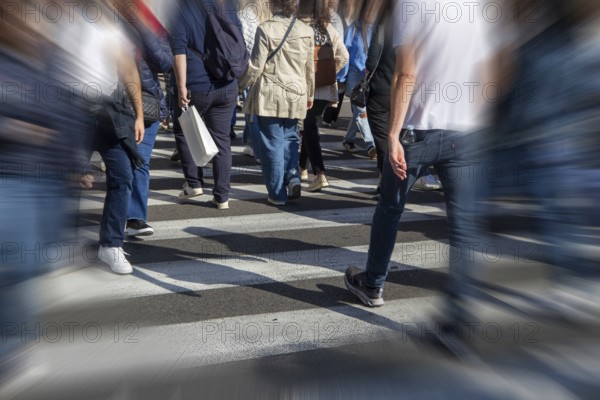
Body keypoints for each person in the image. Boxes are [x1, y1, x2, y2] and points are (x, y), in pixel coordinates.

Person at [344, 0, 494, 307]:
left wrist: (392, 134)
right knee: (462, 221)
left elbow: (405, 74)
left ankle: (373, 284)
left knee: (390, 209)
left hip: (416, 130)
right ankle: (463, 301)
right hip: (464, 131)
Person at [238, 0, 315, 205]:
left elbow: (256, 66)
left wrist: (239, 85)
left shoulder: (265, 29)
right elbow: (309, 68)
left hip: (270, 93)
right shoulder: (306, 30)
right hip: (296, 92)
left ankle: (277, 193)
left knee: (272, 143)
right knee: (290, 138)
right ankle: (293, 177)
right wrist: (310, 94)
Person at [169, 0, 242, 210]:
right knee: (222, 140)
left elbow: (178, 49)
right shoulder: (227, 5)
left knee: (184, 129)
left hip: (196, 84)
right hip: (227, 82)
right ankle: (222, 196)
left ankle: (193, 182)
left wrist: (181, 85)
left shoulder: (181, 9)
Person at [125, 3, 173, 237]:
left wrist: (143, 29)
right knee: (117, 163)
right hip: (109, 101)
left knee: (140, 160)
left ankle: (135, 217)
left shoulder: (150, 23)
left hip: (147, 101)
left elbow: (165, 62)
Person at [298, 0, 349, 192]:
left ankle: (320, 173)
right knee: (310, 124)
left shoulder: (299, 27)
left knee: (309, 126)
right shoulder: (327, 27)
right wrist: (327, 73)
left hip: (306, 88)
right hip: (326, 88)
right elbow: (344, 56)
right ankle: (302, 167)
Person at [338, 0, 376, 159]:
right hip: (355, 73)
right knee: (361, 110)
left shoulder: (378, 29)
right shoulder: (354, 28)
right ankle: (371, 144)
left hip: (371, 75)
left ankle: (348, 139)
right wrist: (341, 77)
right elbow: (345, 54)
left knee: (358, 111)